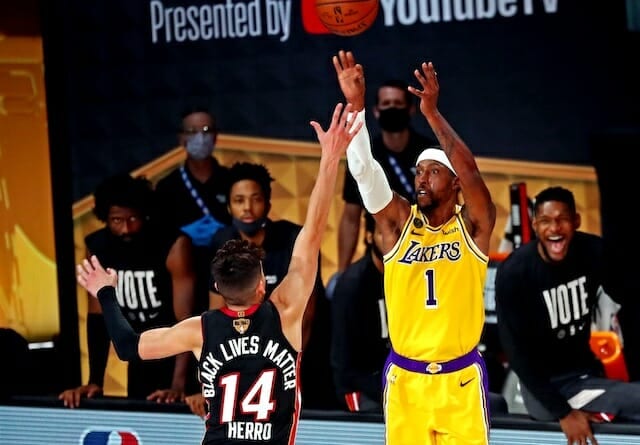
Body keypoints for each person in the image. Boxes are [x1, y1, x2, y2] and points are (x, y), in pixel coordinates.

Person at [74, 102, 363, 444]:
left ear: (217, 287)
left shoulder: (200, 329)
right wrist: (330, 157)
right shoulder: (284, 313)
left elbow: (127, 346)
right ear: (262, 285)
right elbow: (312, 234)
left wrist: (105, 291)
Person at [333, 50, 496, 444]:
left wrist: (432, 115)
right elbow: (365, 173)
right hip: (406, 380)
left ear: (454, 183)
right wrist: (356, 107)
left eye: (433, 171)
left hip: (460, 380)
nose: (421, 179)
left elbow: (472, 173)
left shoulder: (473, 227)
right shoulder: (398, 223)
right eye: (418, 171)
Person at [184, 161, 339, 416]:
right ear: (229, 206)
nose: (247, 207)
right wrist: (209, 383)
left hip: (301, 363)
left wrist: (280, 374)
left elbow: (305, 320)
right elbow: (216, 320)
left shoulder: (294, 240)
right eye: (239, 200)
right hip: (244, 363)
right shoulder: (221, 244)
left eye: (255, 199)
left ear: (267, 203)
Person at [494, 186, 640, 445]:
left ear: (576, 221)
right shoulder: (515, 272)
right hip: (544, 391)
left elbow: (627, 295)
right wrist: (564, 413)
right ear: (535, 225)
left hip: (585, 375)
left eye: (562, 219)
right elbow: (515, 352)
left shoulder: (593, 251)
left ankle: (601, 412)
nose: (555, 228)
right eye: (546, 221)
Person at [58, 173, 195, 407]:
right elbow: (98, 318)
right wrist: (95, 381)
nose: (126, 229)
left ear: (145, 214)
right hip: (141, 353)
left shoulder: (173, 244)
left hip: (182, 359)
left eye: (133, 218)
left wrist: (178, 385)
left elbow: (186, 321)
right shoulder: (98, 246)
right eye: (116, 220)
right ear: (105, 217)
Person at [155, 106, 232, 399]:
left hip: (225, 284)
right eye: (192, 131)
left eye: (206, 131)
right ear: (181, 138)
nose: (200, 137)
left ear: (216, 137)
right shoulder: (167, 187)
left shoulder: (230, 180)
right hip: (180, 284)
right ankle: (179, 386)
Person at [336, 78, 437, 275]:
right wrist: (342, 271)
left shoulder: (429, 152)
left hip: (428, 251)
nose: (392, 108)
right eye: (386, 104)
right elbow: (350, 218)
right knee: (338, 288)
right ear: (376, 111)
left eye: (398, 103)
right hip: (379, 254)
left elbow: (450, 205)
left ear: (410, 109)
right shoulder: (365, 155)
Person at [330, 213, 390, 413]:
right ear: (369, 236)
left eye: (397, 232)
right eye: (383, 234)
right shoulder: (352, 286)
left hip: (396, 381)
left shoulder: (410, 278)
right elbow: (344, 364)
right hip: (358, 388)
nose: (392, 241)